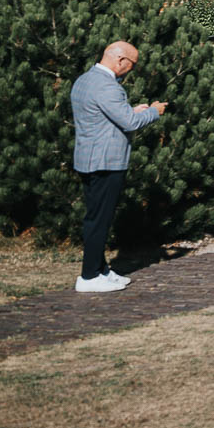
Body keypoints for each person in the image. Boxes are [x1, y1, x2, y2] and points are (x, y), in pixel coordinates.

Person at [68, 41, 166, 292]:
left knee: (96, 216)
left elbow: (103, 116)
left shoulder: (85, 80)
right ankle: (89, 276)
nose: (131, 70)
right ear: (121, 60)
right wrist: (154, 111)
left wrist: (130, 110)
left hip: (88, 158)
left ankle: (101, 270)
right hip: (105, 162)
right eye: (132, 64)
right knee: (99, 220)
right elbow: (131, 123)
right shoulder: (109, 86)